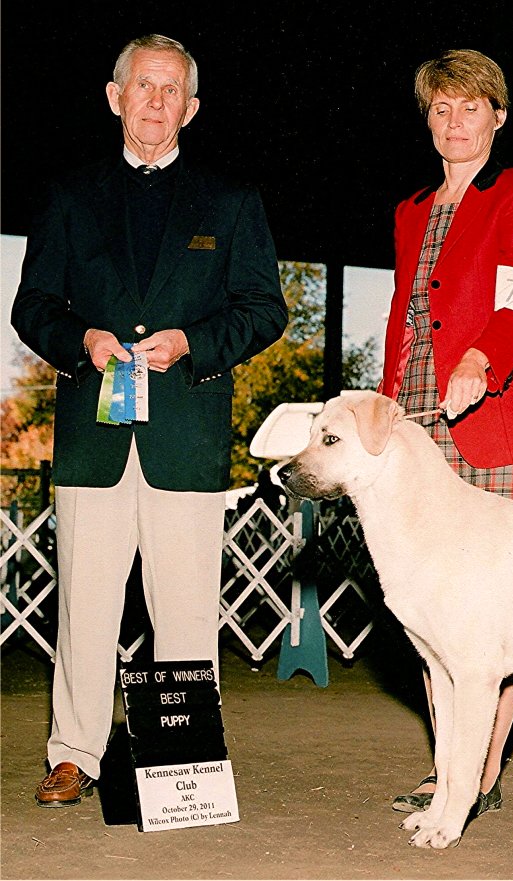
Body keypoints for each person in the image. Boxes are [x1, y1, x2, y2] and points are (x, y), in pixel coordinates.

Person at [11, 33, 288, 808]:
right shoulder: (68, 197)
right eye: (144, 86)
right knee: (84, 604)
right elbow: (31, 307)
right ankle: (75, 753)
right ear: (115, 96)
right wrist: (84, 341)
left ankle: (184, 760)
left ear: (191, 109)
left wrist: (194, 344)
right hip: (92, 438)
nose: (156, 102)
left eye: (172, 91)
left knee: (188, 607)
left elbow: (265, 309)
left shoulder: (232, 204)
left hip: (186, 438)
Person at [379, 48, 513, 819]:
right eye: (441, 109)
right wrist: (386, 400)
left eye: (471, 107)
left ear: (498, 116)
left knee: (500, 608)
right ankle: (447, 767)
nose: (455, 122)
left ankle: (482, 772)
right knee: (430, 602)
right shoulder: (410, 208)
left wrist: (482, 360)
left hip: (494, 405)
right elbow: (403, 314)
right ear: (428, 121)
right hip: (415, 412)